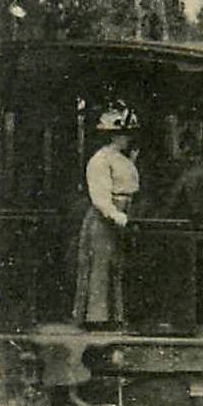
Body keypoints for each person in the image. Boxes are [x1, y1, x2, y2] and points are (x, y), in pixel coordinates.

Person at [73, 105, 142, 329]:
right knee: (101, 266)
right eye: (122, 134)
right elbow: (100, 195)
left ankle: (115, 316)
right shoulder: (100, 160)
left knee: (117, 265)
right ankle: (97, 319)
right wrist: (114, 214)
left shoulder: (122, 157)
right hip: (105, 220)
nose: (126, 138)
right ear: (112, 135)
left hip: (122, 216)